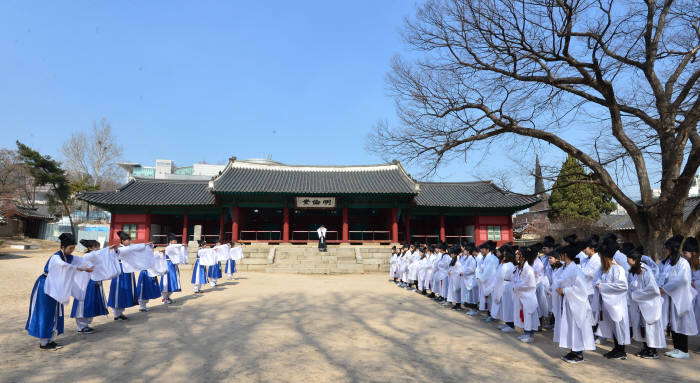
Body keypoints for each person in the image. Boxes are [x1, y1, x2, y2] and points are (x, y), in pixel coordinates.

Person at [26, 233, 94, 350]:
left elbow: (81, 261)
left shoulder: (69, 257)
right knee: (45, 314)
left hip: (56, 287)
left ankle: (50, 340)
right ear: (63, 247)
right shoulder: (56, 257)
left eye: (73, 248)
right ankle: (43, 342)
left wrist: (92, 265)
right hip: (46, 286)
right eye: (70, 248)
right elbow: (63, 266)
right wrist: (81, 269)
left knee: (54, 313)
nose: (72, 251)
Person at [660, 235, 698, 359]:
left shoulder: (683, 263)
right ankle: (677, 348)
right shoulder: (669, 263)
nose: (665, 250)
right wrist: (661, 285)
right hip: (671, 297)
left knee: (682, 323)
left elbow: (682, 280)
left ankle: (684, 350)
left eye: (666, 248)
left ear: (672, 249)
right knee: (674, 323)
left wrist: (665, 288)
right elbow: (664, 276)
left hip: (680, 298)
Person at [556, 245, 595, 363]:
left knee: (576, 327)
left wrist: (564, 291)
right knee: (570, 326)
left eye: (561, 254)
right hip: (569, 301)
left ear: (565, 255)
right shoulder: (567, 267)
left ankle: (578, 353)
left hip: (577, 303)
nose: (559, 257)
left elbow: (581, 289)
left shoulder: (576, 269)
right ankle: (573, 350)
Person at [627, 247, 665, 359]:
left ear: (634, 259)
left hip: (649, 305)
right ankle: (646, 348)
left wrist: (636, 295)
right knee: (642, 327)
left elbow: (653, 290)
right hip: (640, 305)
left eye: (628, 259)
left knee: (650, 328)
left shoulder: (645, 271)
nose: (627, 262)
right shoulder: (633, 270)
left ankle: (653, 351)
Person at [595, 238, 630, 360]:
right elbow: (601, 281)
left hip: (617, 304)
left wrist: (603, 286)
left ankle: (622, 351)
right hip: (609, 304)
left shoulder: (617, 269)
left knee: (619, 327)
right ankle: (616, 348)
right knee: (614, 327)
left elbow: (622, 286)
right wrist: (599, 284)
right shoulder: (607, 270)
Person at [70, 239, 109, 334]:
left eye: (98, 246)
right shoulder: (87, 256)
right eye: (95, 247)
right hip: (86, 284)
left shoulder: (94, 256)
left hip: (93, 283)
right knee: (84, 303)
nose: (98, 249)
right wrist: (107, 249)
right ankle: (81, 326)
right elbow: (94, 255)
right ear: (90, 248)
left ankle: (85, 324)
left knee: (91, 303)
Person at [513, 246, 539, 343]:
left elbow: (531, 284)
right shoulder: (520, 267)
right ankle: (525, 332)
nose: (516, 256)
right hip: (521, 295)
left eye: (518, 254)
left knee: (528, 315)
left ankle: (529, 334)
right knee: (523, 315)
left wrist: (518, 286)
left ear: (523, 256)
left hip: (528, 296)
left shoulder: (529, 269)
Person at [108, 231, 137, 320]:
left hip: (128, 271)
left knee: (126, 291)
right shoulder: (119, 248)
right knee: (118, 290)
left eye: (129, 240)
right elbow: (114, 255)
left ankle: (120, 312)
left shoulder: (129, 248)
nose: (129, 242)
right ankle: (116, 314)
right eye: (127, 240)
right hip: (120, 271)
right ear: (122, 241)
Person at [680, 237, 700, 354]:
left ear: (693, 253)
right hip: (696, 296)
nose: (684, 254)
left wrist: (693, 283)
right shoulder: (688, 264)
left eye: (685, 252)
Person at [476, 241, 499, 321]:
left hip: (491, 282)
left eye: (483, 249)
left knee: (492, 299)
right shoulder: (484, 258)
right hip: (484, 281)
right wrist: (479, 276)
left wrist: (481, 277)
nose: (481, 251)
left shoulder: (492, 259)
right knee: (487, 300)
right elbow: (478, 268)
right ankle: (489, 314)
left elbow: (489, 272)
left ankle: (493, 316)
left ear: (488, 250)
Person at [161, 233, 182, 303]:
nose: (175, 242)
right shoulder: (169, 247)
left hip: (173, 265)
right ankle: (164, 298)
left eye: (176, 240)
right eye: (174, 240)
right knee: (167, 280)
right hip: (168, 265)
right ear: (170, 241)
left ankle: (167, 297)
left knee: (174, 280)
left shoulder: (174, 247)